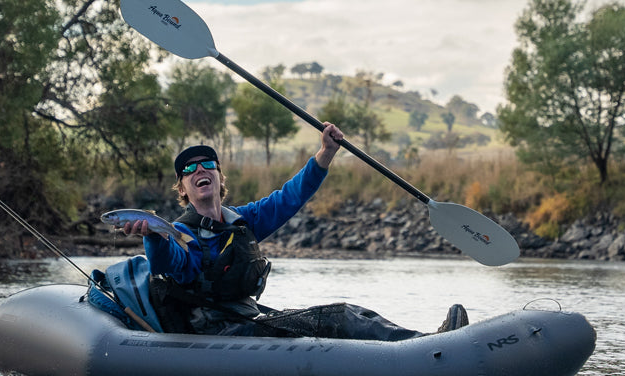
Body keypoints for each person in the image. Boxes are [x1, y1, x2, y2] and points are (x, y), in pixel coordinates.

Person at [118, 124, 469, 338]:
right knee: (341, 317)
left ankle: (423, 342)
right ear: (182, 188)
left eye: (207, 164)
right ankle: (426, 346)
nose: (199, 170)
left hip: (244, 317)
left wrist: (325, 154)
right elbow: (170, 264)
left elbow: (289, 198)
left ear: (220, 177)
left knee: (354, 313)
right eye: (189, 170)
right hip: (217, 331)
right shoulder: (181, 232)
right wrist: (152, 236)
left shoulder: (242, 220)